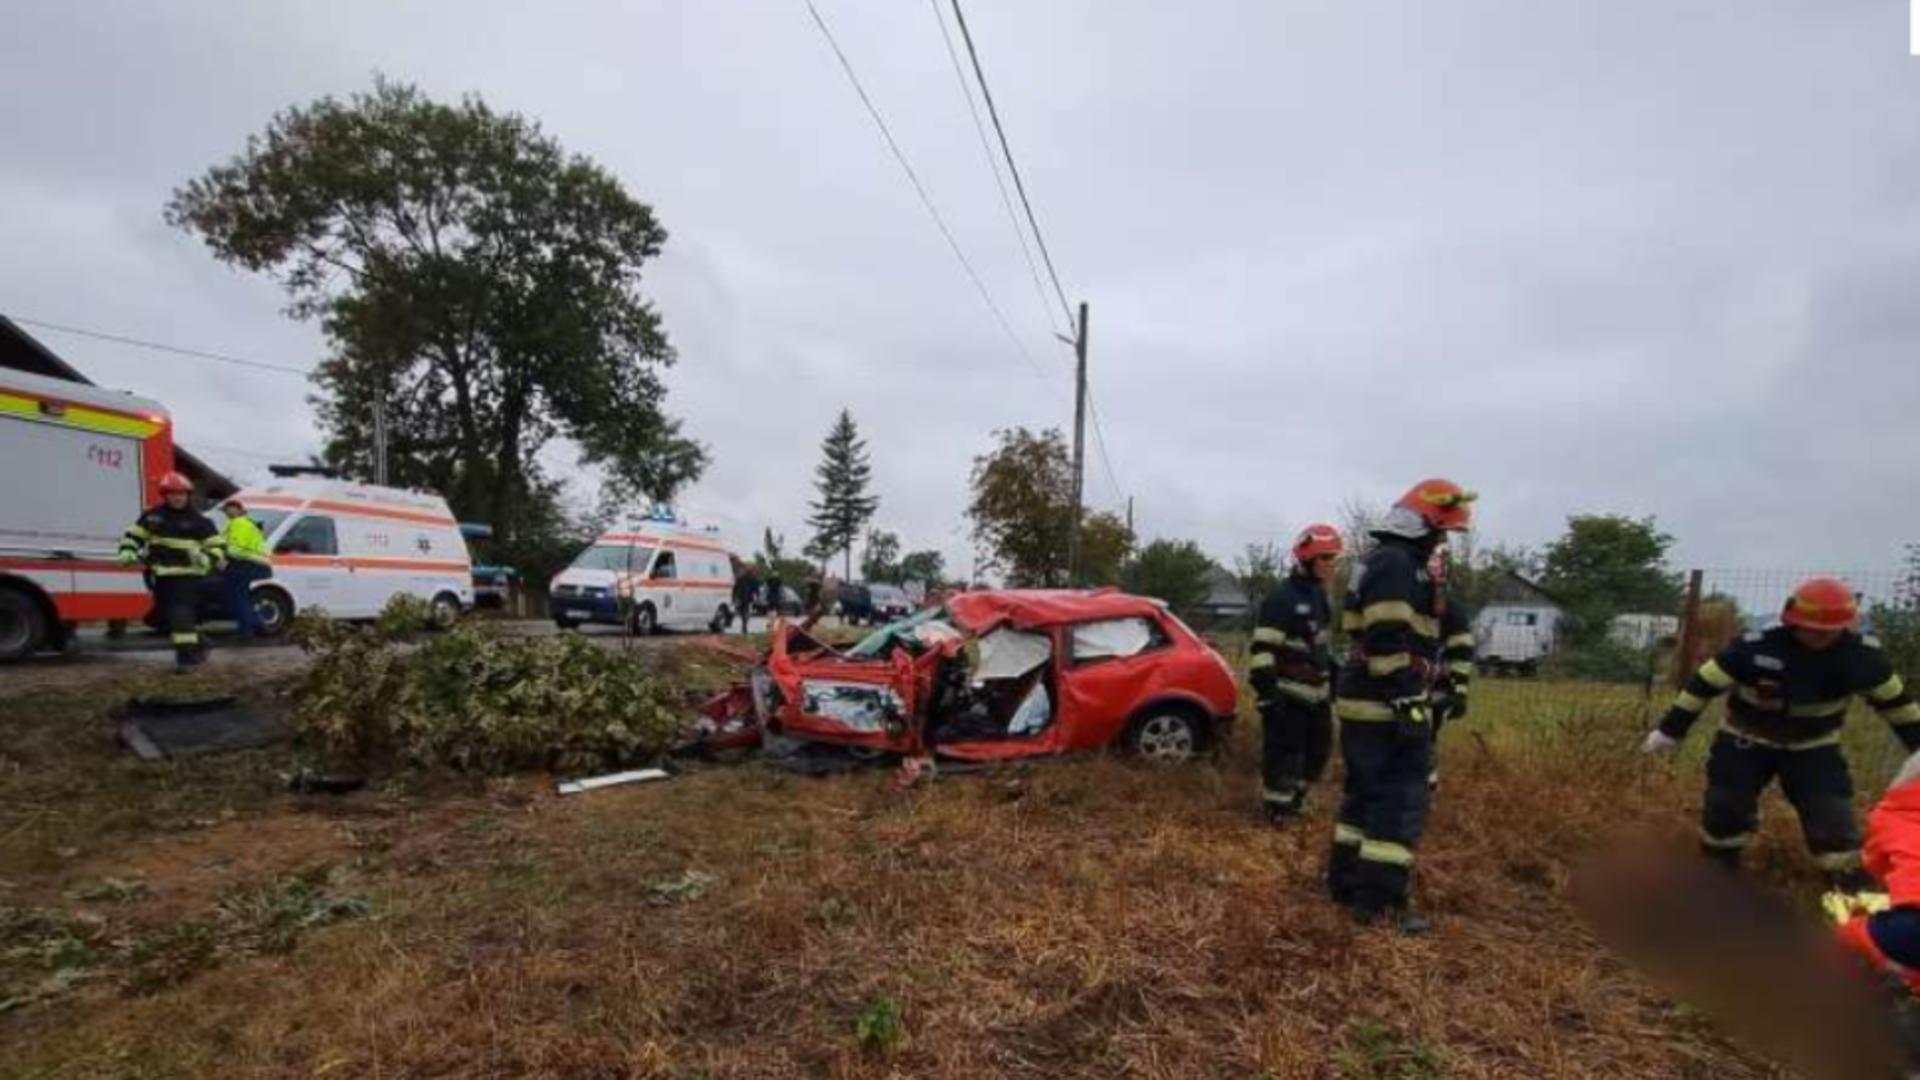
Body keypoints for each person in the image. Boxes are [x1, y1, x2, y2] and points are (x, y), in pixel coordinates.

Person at [1645, 577, 1920, 888]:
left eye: (1829, 630)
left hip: (1814, 747)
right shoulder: (1755, 647)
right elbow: (1702, 686)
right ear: (1793, 621)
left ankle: (1847, 882)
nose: (1820, 636)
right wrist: (1670, 731)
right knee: (1727, 805)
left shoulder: (1862, 660)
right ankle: (1719, 870)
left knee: (1830, 814)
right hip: (1744, 740)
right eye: (1813, 628)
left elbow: (1899, 707)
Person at [1328, 478, 1476, 932]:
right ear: (1426, 522)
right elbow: (1387, 638)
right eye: (1442, 531)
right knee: (1399, 803)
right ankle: (1381, 903)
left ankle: (1346, 885)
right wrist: (1409, 700)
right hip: (1384, 704)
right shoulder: (1396, 565)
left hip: (1367, 700)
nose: (1442, 541)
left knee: (1363, 799)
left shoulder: (1387, 562)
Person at [1249, 523, 1343, 823]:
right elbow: (1263, 652)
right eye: (1326, 559)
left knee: (1318, 753)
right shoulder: (1281, 599)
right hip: (1287, 696)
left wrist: (1335, 678)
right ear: (1307, 561)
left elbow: (1319, 646)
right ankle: (1277, 811)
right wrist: (1268, 695)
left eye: (1333, 559)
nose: (1331, 565)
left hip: (1318, 696)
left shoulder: (1320, 598)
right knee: (1284, 756)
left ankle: (1296, 801)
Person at [118, 471, 226, 672]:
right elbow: (134, 536)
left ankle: (186, 660)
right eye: (173, 493)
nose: (178, 497)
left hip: (188, 578)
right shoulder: (152, 517)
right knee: (163, 618)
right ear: (165, 495)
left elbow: (218, 547)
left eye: (182, 494)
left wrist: (208, 558)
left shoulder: (200, 521)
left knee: (181, 616)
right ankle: (201, 644)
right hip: (160, 576)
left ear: (188, 495)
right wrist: (128, 550)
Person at [1426, 543, 1476, 792]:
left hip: (1434, 688)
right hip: (1400, 685)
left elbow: (1462, 652)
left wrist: (1460, 692)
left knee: (1425, 738)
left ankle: (1426, 790)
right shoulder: (1403, 603)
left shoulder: (1453, 611)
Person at [217, 499, 272, 642]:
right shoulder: (244, 522)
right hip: (253, 564)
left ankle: (246, 633)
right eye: (225, 511)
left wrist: (222, 557)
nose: (227, 513)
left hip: (244, 564)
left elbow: (236, 548)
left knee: (237, 599)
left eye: (229, 509)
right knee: (242, 598)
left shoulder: (238, 523)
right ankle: (259, 626)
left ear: (237, 509)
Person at [732, 563, 761, 636]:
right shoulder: (753, 579)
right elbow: (756, 589)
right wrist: (757, 597)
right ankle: (744, 624)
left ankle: (744, 624)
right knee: (746, 611)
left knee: (742, 611)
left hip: (741, 597)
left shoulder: (741, 578)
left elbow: (735, 589)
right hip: (748, 598)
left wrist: (734, 597)